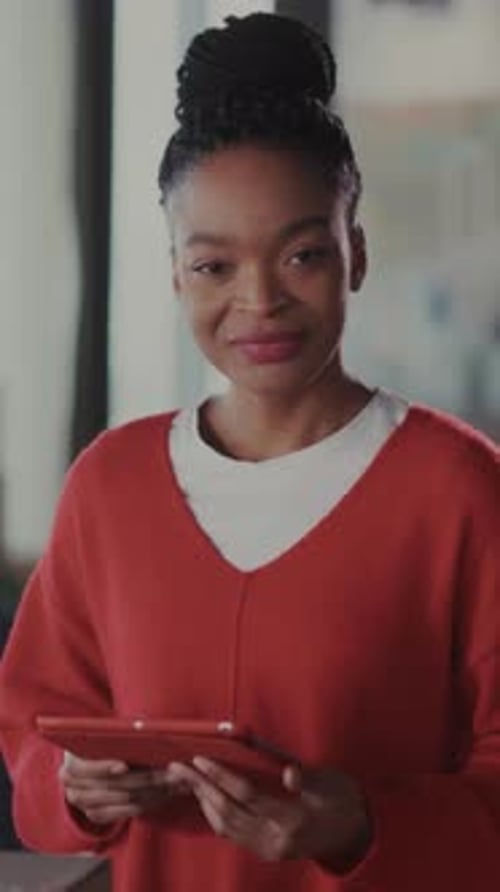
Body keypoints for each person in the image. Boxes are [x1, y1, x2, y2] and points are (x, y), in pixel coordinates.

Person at [0, 12, 499, 891]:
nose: (258, 300)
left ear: (358, 254)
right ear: (173, 274)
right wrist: (77, 788)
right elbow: (35, 736)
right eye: (213, 266)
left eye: (302, 253)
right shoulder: (110, 487)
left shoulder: (457, 489)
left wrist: (363, 826)